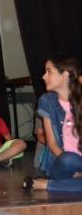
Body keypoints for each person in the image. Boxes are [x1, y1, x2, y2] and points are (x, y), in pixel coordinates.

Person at [24, 54, 82, 193]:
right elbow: (52, 143)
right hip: (62, 163)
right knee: (69, 158)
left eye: (49, 71)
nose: (44, 76)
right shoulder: (47, 101)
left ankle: (46, 185)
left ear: (65, 75)